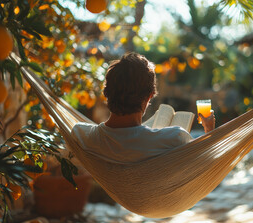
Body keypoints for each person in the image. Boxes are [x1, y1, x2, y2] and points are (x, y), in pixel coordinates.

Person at [71, 52, 215, 162]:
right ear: (149, 97)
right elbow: (204, 163)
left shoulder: (81, 134)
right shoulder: (175, 138)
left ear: (106, 93)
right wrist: (209, 131)